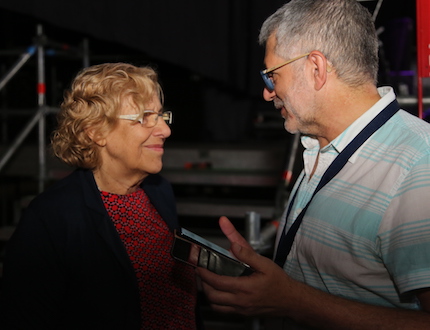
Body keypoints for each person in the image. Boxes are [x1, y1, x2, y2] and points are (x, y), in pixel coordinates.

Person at [197, 0, 430, 329]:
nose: (268, 93)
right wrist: (265, 283)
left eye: (272, 76)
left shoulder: (418, 165)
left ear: (316, 68)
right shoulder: (321, 146)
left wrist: (291, 300)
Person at [0, 63, 201, 329]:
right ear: (96, 131)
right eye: (145, 117)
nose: (165, 130)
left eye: (162, 116)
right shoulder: (51, 218)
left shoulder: (159, 190)